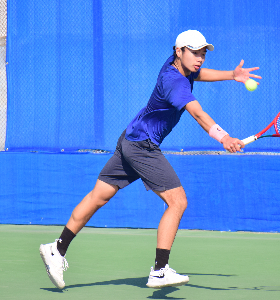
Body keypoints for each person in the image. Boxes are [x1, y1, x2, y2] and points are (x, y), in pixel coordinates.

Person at [39, 29, 261, 290]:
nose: (200, 58)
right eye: (194, 52)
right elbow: (198, 114)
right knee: (177, 202)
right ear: (179, 52)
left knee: (98, 196)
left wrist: (231, 75)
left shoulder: (175, 66)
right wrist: (223, 138)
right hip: (143, 147)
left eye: (203, 53)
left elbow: (199, 74)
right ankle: (159, 271)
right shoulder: (175, 83)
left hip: (130, 138)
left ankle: (57, 248)